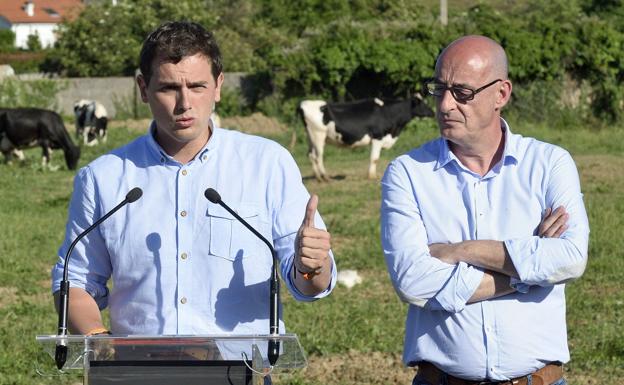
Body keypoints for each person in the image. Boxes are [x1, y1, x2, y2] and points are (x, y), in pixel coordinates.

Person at [52, 21, 336, 341]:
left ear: (218, 86)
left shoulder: (267, 163)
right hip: (137, 372)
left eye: (198, 87)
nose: (184, 104)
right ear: (143, 88)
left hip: (242, 370)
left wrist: (312, 264)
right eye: (169, 88)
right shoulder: (102, 178)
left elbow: (310, 284)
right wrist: (100, 343)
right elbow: (75, 282)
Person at [380, 35, 589, 385]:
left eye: (462, 92)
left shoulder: (549, 163)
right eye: (439, 88)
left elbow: (570, 257)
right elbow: (413, 281)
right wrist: (525, 273)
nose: (445, 104)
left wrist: (462, 250)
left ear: (501, 94)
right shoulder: (407, 172)